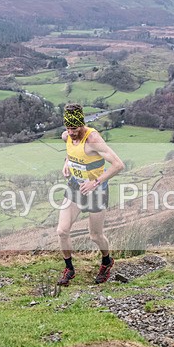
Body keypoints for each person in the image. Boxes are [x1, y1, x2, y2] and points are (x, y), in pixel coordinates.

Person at [56, 104, 125, 285]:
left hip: (96, 191)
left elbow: (118, 165)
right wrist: (66, 164)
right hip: (75, 187)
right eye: (68, 128)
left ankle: (106, 261)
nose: (71, 132)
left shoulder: (93, 139)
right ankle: (69, 269)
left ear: (82, 124)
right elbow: (71, 153)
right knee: (62, 231)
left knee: (95, 236)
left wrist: (95, 183)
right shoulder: (66, 137)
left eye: (74, 128)